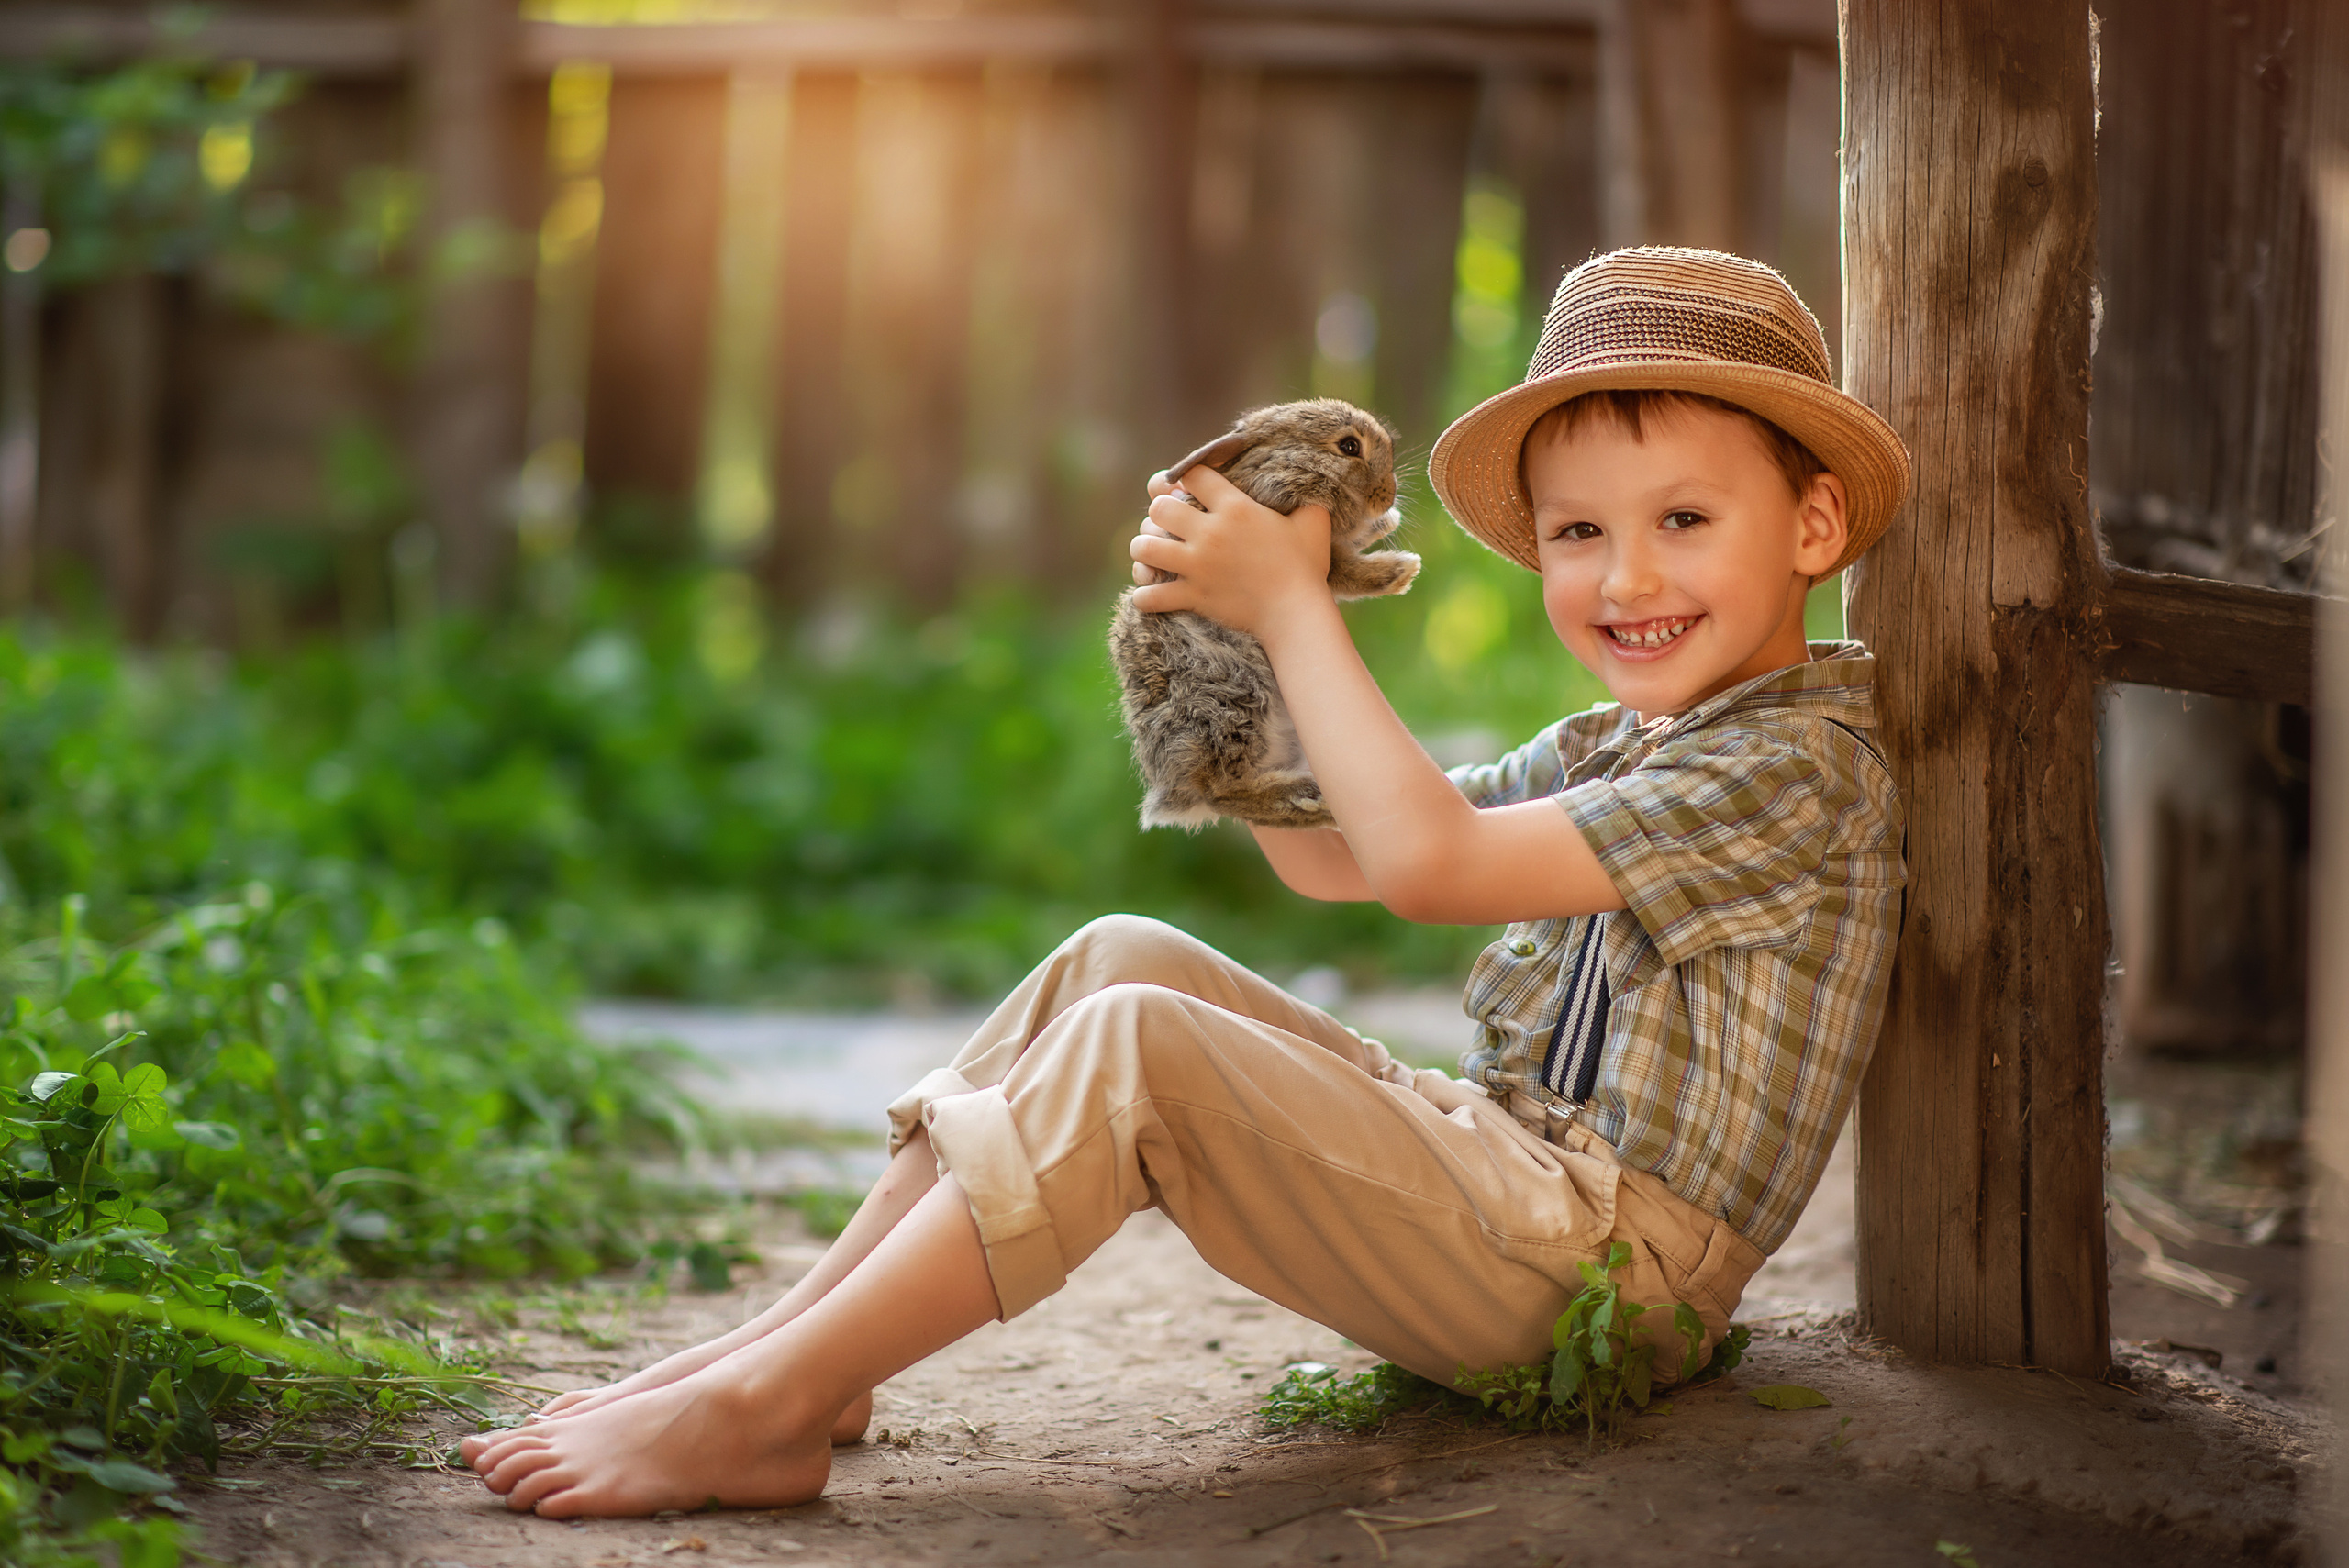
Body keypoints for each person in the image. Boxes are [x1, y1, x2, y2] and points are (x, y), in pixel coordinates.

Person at [462, 246, 1912, 1518]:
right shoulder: (1618, 740)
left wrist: (1291, 609)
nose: (1624, 579)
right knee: (1120, 958)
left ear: (1813, 529)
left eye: (1683, 521)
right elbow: (1332, 851)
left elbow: (1423, 867)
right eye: (1580, 532)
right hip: (1513, 1187)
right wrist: (1221, 633)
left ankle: (759, 1406)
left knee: (1140, 1052)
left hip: (1611, 1280)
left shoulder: (1797, 766)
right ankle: (797, 1355)